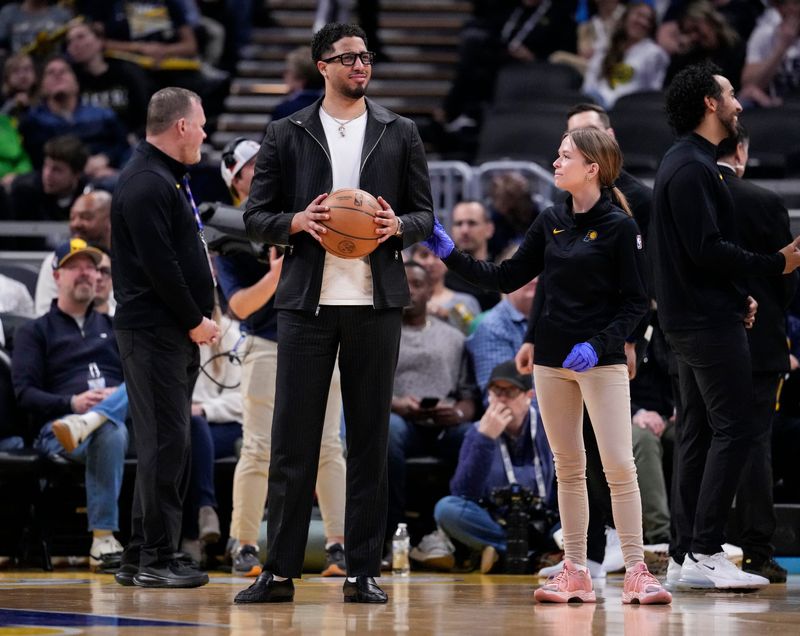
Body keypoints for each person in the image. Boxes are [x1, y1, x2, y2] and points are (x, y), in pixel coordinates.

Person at [423, 126, 672, 604]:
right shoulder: (550, 219)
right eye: (557, 155)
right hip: (553, 363)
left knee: (620, 464)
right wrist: (452, 255)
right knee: (569, 466)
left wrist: (600, 345)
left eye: (564, 156)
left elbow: (636, 304)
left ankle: (639, 570)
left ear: (592, 168)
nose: (556, 163)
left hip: (599, 363)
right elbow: (506, 276)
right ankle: (575, 570)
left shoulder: (621, 226)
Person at [233, 22, 433, 605]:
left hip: (376, 302)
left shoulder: (401, 131)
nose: (360, 66)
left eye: (366, 57)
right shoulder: (286, 132)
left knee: (369, 441)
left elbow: (424, 213)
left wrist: (400, 227)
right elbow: (255, 217)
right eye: (347, 58)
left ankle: (363, 570)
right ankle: (280, 569)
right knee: (293, 441)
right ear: (322, 65)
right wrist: (295, 222)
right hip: (305, 305)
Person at [649, 62, 800, 591]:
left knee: (696, 434)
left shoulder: (686, 162)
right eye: (731, 95)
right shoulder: (691, 168)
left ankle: (686, 556)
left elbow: (695, 256)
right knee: (736, 427)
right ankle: (706, 550)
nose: (739, 103)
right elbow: (707, 250)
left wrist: (740, 296)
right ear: (710, 104)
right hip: (702, 325)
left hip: (694, 318)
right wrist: (772, 265)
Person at [213, 137, 349, 579]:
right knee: (258, 448)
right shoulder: (231, 233)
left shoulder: (306, 208)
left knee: (330, 446)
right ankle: (246, 545)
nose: (263, 169)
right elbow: (239, 308)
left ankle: (338, 547)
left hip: (321, 338)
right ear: (236, 181)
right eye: (252, 166)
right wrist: (275, 274)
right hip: (266, 345)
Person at [111, 86, 219, 589]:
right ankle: (157, 557)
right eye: (200, 123)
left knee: (165, 445)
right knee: (165, 446)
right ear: (180, 126)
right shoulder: (147, 183)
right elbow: (161, 268)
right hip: (154, 331)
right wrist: (195, 319)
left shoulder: (162, 177)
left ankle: (140, 555)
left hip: (164, 333)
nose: (204, 132)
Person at [11, 238, 129, 573]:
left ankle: (93, 420)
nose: (85, 273)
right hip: (58, 429)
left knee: (144, 381)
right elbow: (25, 394)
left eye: (91, 267)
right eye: (74, 266)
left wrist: (108, 401)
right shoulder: (34, 331)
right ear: (56, 275)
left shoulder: (115, 327)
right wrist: (71, 402)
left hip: (116, 419)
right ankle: (104, 538)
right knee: (112, 432)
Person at [716, 124, 796, 583]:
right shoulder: (765, 202)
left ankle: (694, 547)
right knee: (754, 444)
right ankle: (758, 552)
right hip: (760, 342)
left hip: (701, 338)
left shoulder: (693, 200)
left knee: (700, 440)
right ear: (742, 150)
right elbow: (788, 276)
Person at [387, 260, 478, 554]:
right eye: (403, 283)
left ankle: (451, 534)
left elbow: (468, 396)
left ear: (430, 291)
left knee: (474, 435)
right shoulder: (380, 334)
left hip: (444, 423)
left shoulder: (454, 337)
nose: (409, 291)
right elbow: (365, 389)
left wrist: (459, 413)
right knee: (387, 432)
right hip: (399, 421)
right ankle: (394, 534)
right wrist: (397, 404)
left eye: (417, 284)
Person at [432, 360, 555, 574]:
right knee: (446, 509)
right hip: (498, 522)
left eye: (511, 391)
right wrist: (485, 441)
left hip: (545, 521)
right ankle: (536, 557)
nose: (502, 399)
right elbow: (462, 493)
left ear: (529, 397)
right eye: (496, 391)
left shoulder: (550, 428)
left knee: (586, 512)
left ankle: (501, 554)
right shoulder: (477, 433)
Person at [34, 189, 113, 316]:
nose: (76, 224)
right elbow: (44, 317)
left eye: (85, 217)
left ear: (110, 221)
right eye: (72, 217)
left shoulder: (130, 261)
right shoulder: (57, 260)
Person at [582, 1, 669, 109]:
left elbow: (652, 91)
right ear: (626, 17)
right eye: (639, 15)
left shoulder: (654, 53)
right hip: (594, 103)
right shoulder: (607, 45)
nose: (643, 22)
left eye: (648, 20)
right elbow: (591, 77)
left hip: (626, 110)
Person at [406, 242, 481, 334]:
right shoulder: (401, 300)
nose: (430, 262)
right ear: (411, 258)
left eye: (437, 256)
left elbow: (476, 334)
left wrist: (448, 314)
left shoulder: (466, 301)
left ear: (449, 261)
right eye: (424, 255)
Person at [445, 201, 500, 312]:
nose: (464, 230)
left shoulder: (502, 271)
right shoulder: (442, 275)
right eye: (458, 224)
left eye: (472, 223)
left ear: (489, 229)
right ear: (452, 230)